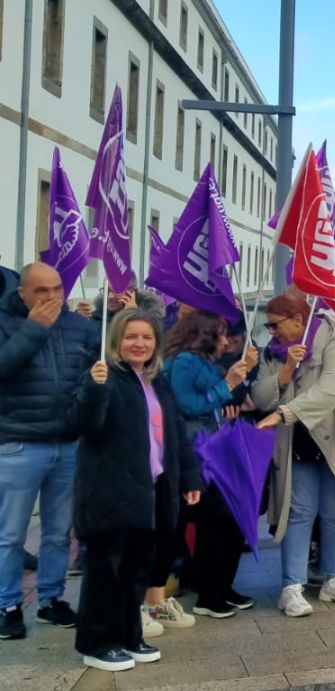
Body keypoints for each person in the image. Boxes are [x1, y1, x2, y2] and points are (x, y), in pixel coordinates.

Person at [69, 309, 202, 671]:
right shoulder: (101, 375)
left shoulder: (157, 380)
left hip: (152, 489)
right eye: (131, 337)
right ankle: (97, 643)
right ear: (116, 340)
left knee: (136, 571)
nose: (138, 343)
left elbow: (175, 433)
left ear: (156, 343)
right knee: (105, 572)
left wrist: (190, 478)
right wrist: (94, 391)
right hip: (110, 490)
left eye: (146, 337)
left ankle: (129, 636)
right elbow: (85, 425)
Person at [253, 295, 335, 617]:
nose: (271, 331)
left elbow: (331, 389)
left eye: (274, 324)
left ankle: (334, 578)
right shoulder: (274, 353)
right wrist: (288, 368)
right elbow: (260, 397)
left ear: (297, 319)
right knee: (299, 512)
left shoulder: (334, 339)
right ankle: (292, 587)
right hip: (299, 441)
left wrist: (286, 412)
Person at [0, 263, 99, 640]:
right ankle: (7, 604)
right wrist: (33, 329)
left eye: (57, 288)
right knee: (10, 534)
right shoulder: (7, 321)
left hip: (68, 443)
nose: (52, 297)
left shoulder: (78, 325)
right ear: (22, 293)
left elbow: (96, 370)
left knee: (59, 533)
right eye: (41, 290)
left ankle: (50, 600)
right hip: (18, 442)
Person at [160, 311, 258, 624]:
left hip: (211, 447)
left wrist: (235, 382)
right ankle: (208, 591)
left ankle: (220, 586)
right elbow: (188, 405)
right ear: (204, 335)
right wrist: (226, 385)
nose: (226, 341)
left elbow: (219, 400)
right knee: (215, 521)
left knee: (225, 522)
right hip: (195, 452)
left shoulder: (202, 363)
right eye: (220, 334)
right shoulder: (185, 361)